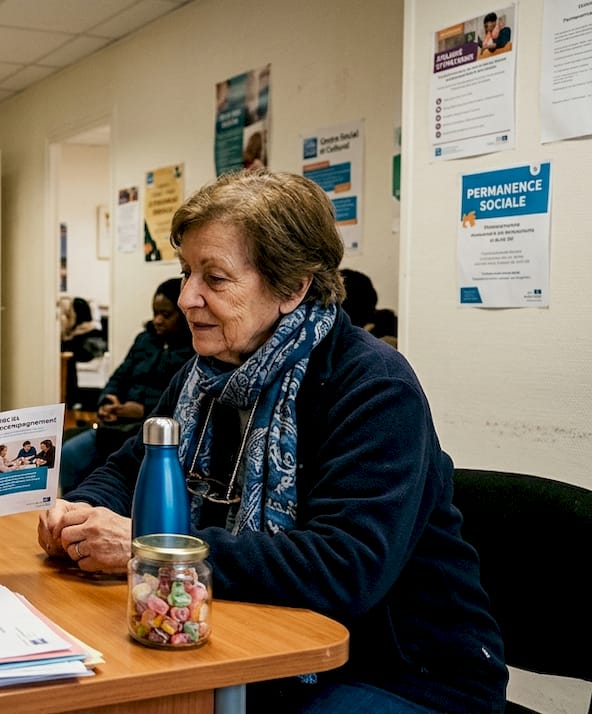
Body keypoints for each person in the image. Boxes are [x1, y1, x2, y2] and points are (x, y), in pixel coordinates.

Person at [38, 170, 506, 713]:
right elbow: (126, 469)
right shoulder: (201, 374)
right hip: (247, 625)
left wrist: (154, 549)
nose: (188, 297)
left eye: (214, 278)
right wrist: (79, 513)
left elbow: (344, 565)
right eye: (187, 272)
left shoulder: (374, 386)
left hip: (400, 671)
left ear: (293, 287)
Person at [59, 278, 194, 493]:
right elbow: (119, 377)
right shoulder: (144, 340)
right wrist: (108, 401)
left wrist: (141, 409)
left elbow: (181, 400)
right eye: (155, 313)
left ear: (185, 315)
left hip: (145, 431)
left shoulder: (194, 352)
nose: (157, 320)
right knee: (69, 454)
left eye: (166, 315)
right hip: (114, 427)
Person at [61, 297, 107, 407]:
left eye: (69, 314)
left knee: (68, 360)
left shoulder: (88, 332)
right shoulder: (81, 331)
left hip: (85, 358)